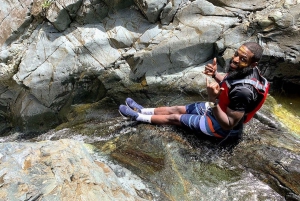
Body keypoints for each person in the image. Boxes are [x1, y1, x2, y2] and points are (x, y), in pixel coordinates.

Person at [118, 42, 270, 139]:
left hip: (220, 128)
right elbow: (230, 82)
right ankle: (143, 110)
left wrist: (212, 101)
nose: (236, 59)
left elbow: (228, 124)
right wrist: (215, 75)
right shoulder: (249, 70)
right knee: (177, 108)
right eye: (236, 54)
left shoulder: (244, 92)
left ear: (252, 63)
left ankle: (137, 117)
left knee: (176, 118)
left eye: (242, 59)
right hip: (217, 109)